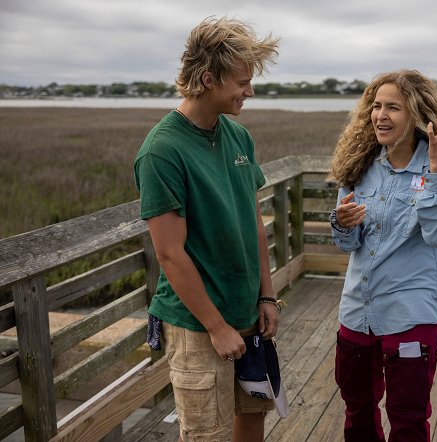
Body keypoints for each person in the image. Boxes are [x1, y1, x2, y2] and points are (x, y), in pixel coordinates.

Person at [133, 16, 281, 442]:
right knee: (206, 434)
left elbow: (254, 223)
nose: (249, 91)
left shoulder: (238, 137)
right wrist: (216, 326)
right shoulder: (162, 151)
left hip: (247, 311)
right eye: (242, 82)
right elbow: (169, 254)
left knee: (253, 415)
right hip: (198, 325)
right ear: (206, 78)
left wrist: (266, 296)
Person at [328, 70, 437, 442]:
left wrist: (436, 168)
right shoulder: (359, 164)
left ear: (416, 114)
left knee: (407, 419)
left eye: (393, 108)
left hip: (411, 313)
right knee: (357, 409)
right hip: (358, 310)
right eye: (376, 106)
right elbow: (347, 244)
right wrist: (342, 223)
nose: (380, 115)